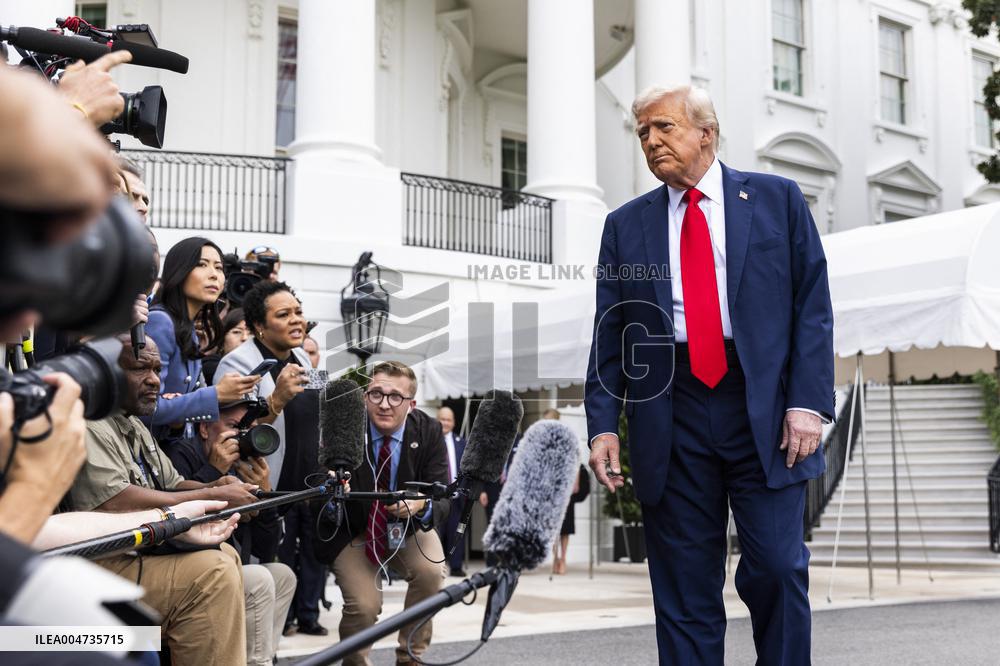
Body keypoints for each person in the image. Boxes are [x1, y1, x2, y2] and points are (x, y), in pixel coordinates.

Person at [585, 84, 834, 665]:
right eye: (642, 132)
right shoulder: (626, 226)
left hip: (766, 408)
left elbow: (812, 307)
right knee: (683, 588)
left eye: (663, 127)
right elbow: (612, 331)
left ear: (706, 133)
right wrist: (603, 425)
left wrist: (807, 402)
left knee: (776, 565)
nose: (651, 141)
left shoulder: (778, 199)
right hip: (671, 407)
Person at [65, 336, 256, 664]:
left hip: (132, 555)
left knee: (225, 555)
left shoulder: (130, 421)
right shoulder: (89, 420)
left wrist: (223, 488)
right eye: (140, 369)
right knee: (212, 574)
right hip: (94, 565)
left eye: (157, 369)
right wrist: (211, 493)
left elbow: (174, 483)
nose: (155, 379)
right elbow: (113, 501)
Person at [315, 361, 451, 666]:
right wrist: (334, 492)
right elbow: (315, 488)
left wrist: (420, 505)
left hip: (408, 526)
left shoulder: (428, 430)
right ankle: (354, 662)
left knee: (431, 572)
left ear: (412, 404)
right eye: (376, 394)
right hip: (355, 528)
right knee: (364, 606)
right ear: (365, 397)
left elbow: (443, 496)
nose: (385, 404)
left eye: (395, 397)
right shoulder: (345, 426)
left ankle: (410, 657)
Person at [214, 280, 326, 636]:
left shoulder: (301, 358)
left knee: (286, 578)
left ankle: (272, 646)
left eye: (299, 312)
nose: (297, 321)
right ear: (259, 326)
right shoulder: (237, 365)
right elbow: (234, 439)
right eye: (284, 314)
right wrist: (275, 401)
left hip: (302, 489)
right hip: (260, 493)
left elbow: (316, 418)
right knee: (258, 581)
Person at [167, 396, 296, 666]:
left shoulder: (247, 466)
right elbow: (173, 517)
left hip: (231, 562)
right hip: (193, 566)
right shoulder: (183, 454)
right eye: (233, 425)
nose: (241, 436)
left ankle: (259, 658)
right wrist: (214, 470)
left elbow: (266, 550)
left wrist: (266, 498)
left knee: (283, 575)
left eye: (247, 429)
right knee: (260, 579)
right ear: (205, 428)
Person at [147, 237, 261, 447]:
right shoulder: (160, 322)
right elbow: (145, 409)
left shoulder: (186, 327)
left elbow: (174, 419)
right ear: (178, 272)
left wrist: (178, 421)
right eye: (202, 264)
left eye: (219, 268)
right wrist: (216, 394)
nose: (213, 275)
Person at [436, 406, 467, 576]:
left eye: (448, 420)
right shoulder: (430, 441)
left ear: (454, 422)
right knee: (436, 532)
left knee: (457, 531)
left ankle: (456, 566)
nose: (445, 423)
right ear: (437, 420)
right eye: (442, 419)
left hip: (457, 496)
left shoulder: (462, 442)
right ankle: (437, 566)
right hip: (437, 496)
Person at [202, 307, 251, 386]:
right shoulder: (211, 365)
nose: (245, 338)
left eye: (251, 333)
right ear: (223, 337)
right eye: (236, 332)